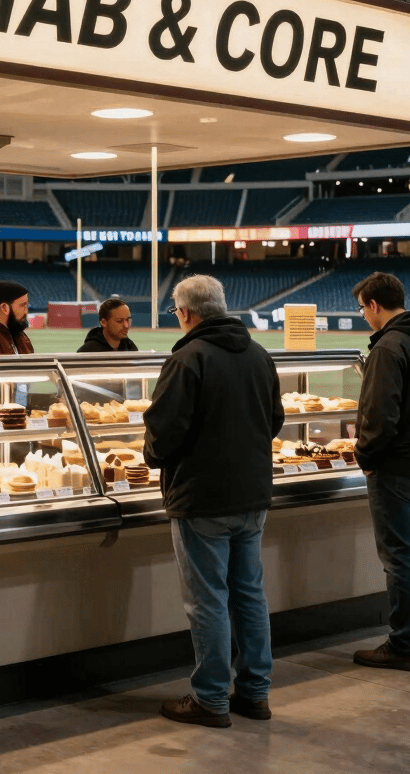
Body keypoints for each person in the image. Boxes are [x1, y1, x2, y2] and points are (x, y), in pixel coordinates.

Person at [143, 274, 284, 728]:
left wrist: (152, 456)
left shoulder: (187, 358)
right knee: (249, 595)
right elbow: (275, 420)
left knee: (207, 600)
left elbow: (163, 434)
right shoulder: (259, 354)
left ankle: (210, 698)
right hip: (253, 494)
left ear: (186, 313)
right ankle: (255, 693)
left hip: (201, 497)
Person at [351, 271, 410, 670]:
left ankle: (403, 644)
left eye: (362, 309)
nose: (363, 316)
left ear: (374, 305)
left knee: (399, 556)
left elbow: (379, 416)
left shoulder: (388, 347)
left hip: (395, 467)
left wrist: (366, 459)